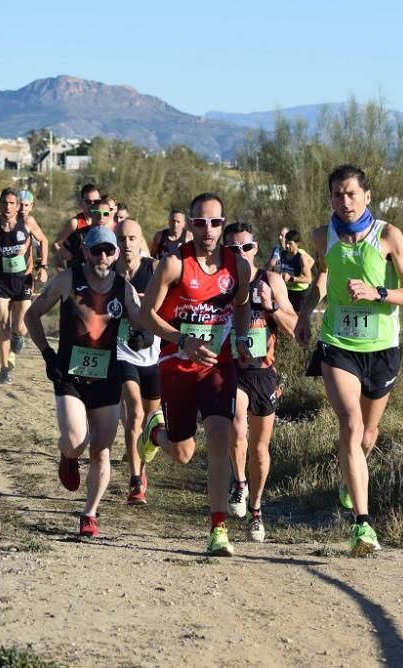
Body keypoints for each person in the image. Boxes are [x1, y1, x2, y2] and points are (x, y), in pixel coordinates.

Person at [296, 164, 403, 557]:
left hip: (382, 348)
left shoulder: (388, 236)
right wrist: (303, 314)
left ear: (367, 196)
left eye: (351, 194)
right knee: (350, 425)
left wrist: (377, 292)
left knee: (368, 435)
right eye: (337, 194)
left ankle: (351, 477)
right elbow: (322, 277)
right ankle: (363, 527)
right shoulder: (322, 236)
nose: (344, 201)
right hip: (338, 344)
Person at [137, 193, 252, 557]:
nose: (208, 230)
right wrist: (181, 339)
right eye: (200, 222)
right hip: (177, 365)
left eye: (216, 222)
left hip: (218, 366)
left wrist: (244, 339)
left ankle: (218, 529)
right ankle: (156, 433)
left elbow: (243, 304)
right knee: (184, 453)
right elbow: (145, 314)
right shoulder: (173, 265)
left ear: (223, 224)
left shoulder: (238, 266)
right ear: (189, 223)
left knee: (221, 436)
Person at [23, 226, 143, 537]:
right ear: (86, 253)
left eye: (108, 250)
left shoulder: (124, 288)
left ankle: (89, 514)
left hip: (107, 377)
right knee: (77, 441)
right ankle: (68, 455)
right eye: (96, 250)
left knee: (102, 450)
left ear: (115, 253)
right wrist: (48, 354)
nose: (102, 256)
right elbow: (32, 315)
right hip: (70, 374)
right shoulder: (68, 280)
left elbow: (141, 321)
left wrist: (142, 334)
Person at [222, 221, 297, 542]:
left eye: (246, 248)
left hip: (264, 374)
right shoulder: (220, 282)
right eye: (233, 249)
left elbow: (296, 330)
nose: (241, 254)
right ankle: (239, 483)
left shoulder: (271, 280)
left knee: (260, 448)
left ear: (256, 249)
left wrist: (272, 307)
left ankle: (256, 509)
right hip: (231, 370)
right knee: (237, 426)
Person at [0, 188, 49, 384]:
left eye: (11, 203)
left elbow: (43, 240)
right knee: (2, 324)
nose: (8, 207)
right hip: (1, 281)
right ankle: (4, 368)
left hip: (23, 281)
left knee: (21, 327)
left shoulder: (27, 223)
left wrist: (42, 267)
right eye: (4, 203)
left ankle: (18, 337)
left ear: (17, 207)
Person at [113, 220, 161, 505]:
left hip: (152, 355)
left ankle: (142, 471)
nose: (126, 244)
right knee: (134, 412)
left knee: (149, 421)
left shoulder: (154, 270)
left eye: (131, 238)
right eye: (121, 238)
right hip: (121, 353)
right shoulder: (108, 272)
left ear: (140, 240)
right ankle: (134, 481)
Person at [53, 184, 100, 268]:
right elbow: (55, 246)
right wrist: (64, 274)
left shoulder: (103, 222)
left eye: (96, 202)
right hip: (77, 275)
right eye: (88, 202)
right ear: (82, 202)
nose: (92, 205)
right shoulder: (75, 223)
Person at [277, 229, 314, 312]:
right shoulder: (283, 254)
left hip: (300, 293)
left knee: (298, 321)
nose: (287, 246)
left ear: (297, 244)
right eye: (286, 242)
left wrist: (292, 278)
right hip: (287, 291)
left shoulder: (301, 257)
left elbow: (308, 279)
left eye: (290, 243)